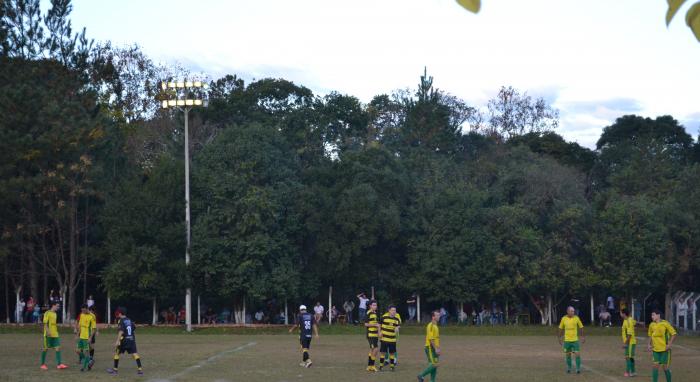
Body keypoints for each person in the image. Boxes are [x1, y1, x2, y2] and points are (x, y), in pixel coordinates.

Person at [107, 308, 144, 375]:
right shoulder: (130, 320)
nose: (118, 314)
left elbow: (121, 331)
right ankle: (140, 370)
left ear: (120, 313)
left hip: (123, 340)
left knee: (117, 353)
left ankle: (115, 370)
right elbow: (134, 328)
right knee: (135, 354)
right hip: (131, 340)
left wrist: (117, 341)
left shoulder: (121, 320)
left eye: (118, 313)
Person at [647, 309, 676, 382]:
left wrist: (669, 345)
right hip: (655, 349)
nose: (652, 316)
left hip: (664, 350)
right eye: (651, 315)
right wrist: (649, 344)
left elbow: (673, 334)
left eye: (653, 315)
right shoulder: (651, 324)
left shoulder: (665, 323)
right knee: (655, 366)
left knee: (665, 367)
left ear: (658, 315)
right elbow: (650, 335)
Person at [40, 302, 68, 370]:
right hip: (48, 335)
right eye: (57, 306)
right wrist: (48, 332)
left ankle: (59, 364)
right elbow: (45, 324)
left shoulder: (55, 314)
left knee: (57, 348)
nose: (58, 307)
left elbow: (53, 324)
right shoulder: (47, 313)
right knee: (45, 349)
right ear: (53, 305)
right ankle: (42, 364)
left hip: (55, 334)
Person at [558, 306, 585, 374]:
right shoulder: (563, 319)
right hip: (567, 341)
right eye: (571, 311)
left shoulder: (576, 318)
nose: (573, 312)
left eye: (573, 311)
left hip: (575, 340)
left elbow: (581, 327)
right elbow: (560, 328)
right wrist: (559, 337)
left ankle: (578, 369)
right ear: (568, 311)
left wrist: (582, 336)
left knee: (577, 354)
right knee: (568, 355)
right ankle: (569, 368)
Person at [417, 310, 441, 382]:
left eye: (439, 315)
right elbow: (431, 340)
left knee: (435, 365)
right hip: (430, 347)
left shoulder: (435, 326)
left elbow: (436, 338)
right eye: (437, 315)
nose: (439, 316)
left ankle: (432, 380)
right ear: (433, 317)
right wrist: (436, 349)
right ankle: (421, 375)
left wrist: (438, 348)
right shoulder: (430, 326)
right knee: (434, 364)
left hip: (435, 347)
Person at [378, 305, 401, 371]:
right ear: (389, 310)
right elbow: (379, 325)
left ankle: (392, 367)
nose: (394, 312)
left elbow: (398, 326)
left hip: (392, 339)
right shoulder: (384, 317)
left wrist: (397, 328)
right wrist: (379, 332)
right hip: (384, 338)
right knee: (383, 353)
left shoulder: (396, 319)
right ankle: (381, 366)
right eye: (392, 310)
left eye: (395, 310)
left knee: (392, 353)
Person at [74, 304, 96, 371]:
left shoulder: (92, 316)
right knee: (77, 351)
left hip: (87, 337)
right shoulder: (82, 315)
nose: (82, 311)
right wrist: (77, 335)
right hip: (81, 337)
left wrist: (90, 338)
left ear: (87, 309)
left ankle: (84, 367)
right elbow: (80, 326)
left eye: (83, 310)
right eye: (82, 310)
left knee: (86, 352)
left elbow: (94, 329)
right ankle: (90, 360)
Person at [364, 300, 381, 372]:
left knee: (372, 350)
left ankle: (369, 366)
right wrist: (375, 325)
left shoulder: (376, 313)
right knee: (376, 349)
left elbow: (378, 324)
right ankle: (372, 365)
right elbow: (366, 324)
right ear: (370, 306)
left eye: (376, 305)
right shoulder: (368, 313)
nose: (375, 306)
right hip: (370, 334)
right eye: (374, 305)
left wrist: (379, 332)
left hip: (375, 334)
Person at [620, 308, 636, 377]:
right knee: (629, 357)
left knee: (628, 357)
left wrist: (626, 343)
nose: (620, 314)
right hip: (628, 342)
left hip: (630, 343)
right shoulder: (626, 320)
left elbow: (629, 335)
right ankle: (633, 371)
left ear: (623, 314)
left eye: (621, 313)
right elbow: (635, 322)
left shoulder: (629, 321)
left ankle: (628, 372)